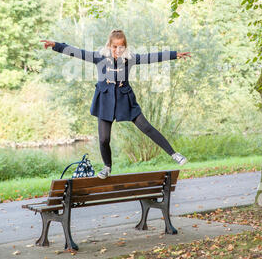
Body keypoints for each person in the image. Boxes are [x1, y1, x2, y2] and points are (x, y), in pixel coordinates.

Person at [41, 29, 192, 179]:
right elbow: (77, 52)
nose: (118, 50)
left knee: (146, 127)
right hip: (105, 101)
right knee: (103, 139)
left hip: (125, 100)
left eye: (121, 47)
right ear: (109, 45)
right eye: (115, 47)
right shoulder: (100, 57)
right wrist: (56, 45)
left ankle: (174, 154)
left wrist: (174, 55)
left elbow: (150, 57)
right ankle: (107, 167)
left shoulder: (129, 59)